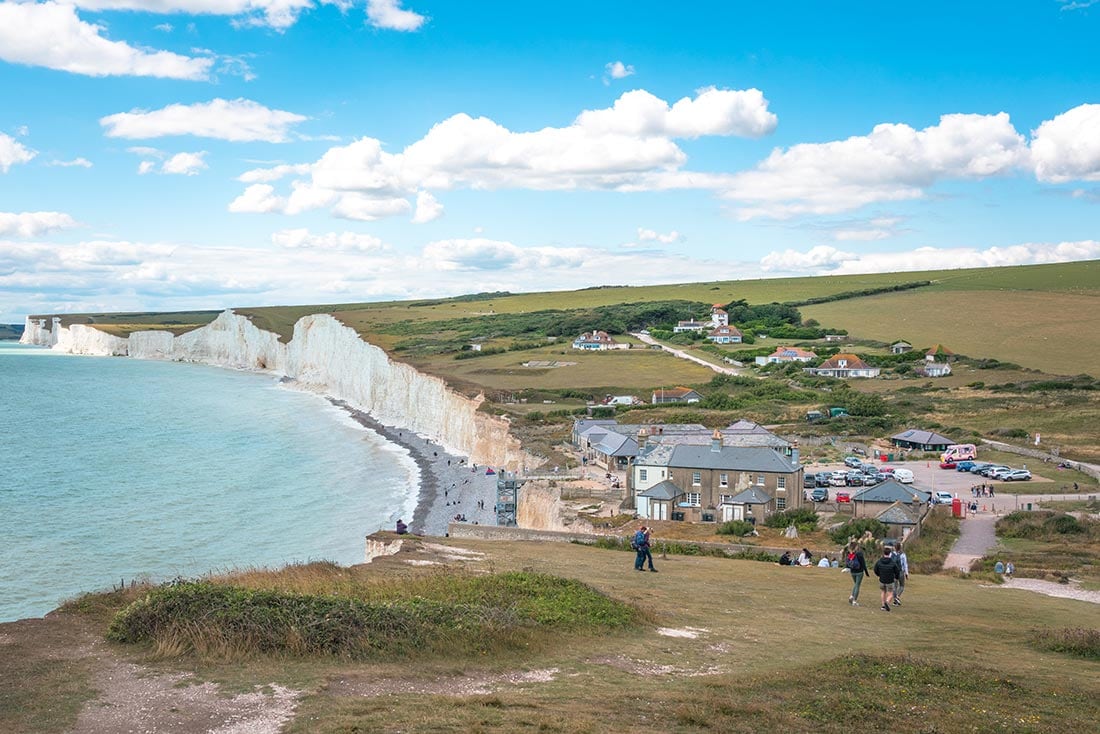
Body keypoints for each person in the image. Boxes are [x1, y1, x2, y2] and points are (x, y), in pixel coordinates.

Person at [873, 546, 900, 612]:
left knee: (883, 592)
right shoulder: (892, 562)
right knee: (890, 593)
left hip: (882, 579)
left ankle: (883, 605)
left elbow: (875, 569)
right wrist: (896, 577)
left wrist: (879, 575)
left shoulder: (879, 561)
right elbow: (897, 571)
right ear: (889, 553)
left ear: (883, 553)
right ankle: (887, 602)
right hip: (890, 580)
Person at [844, 541, 870, 606]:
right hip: (859, 571)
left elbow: (847, 562)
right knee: (857, 585)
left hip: (852, 571)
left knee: (856, 584)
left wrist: (847, 568)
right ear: (856, 547)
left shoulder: (849, 553)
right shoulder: (859, 554)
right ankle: (854, 600)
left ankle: (852, 596)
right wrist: (866, 572)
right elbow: (863, 563)